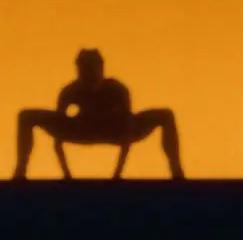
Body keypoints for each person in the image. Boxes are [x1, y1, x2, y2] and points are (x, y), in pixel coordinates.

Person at [14, 49, 184, 180]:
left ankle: (176, 169)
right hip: (81, 130)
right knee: (26, 116)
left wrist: (117, 175)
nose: (89, 74)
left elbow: (127, 129)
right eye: (84, 69)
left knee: (165, 115)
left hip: (113, 130)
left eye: (93, 68)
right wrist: (67, 176)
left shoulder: (117, 89)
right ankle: (21, 168)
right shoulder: (70, 91)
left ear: (101, 69)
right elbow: (58, 137)